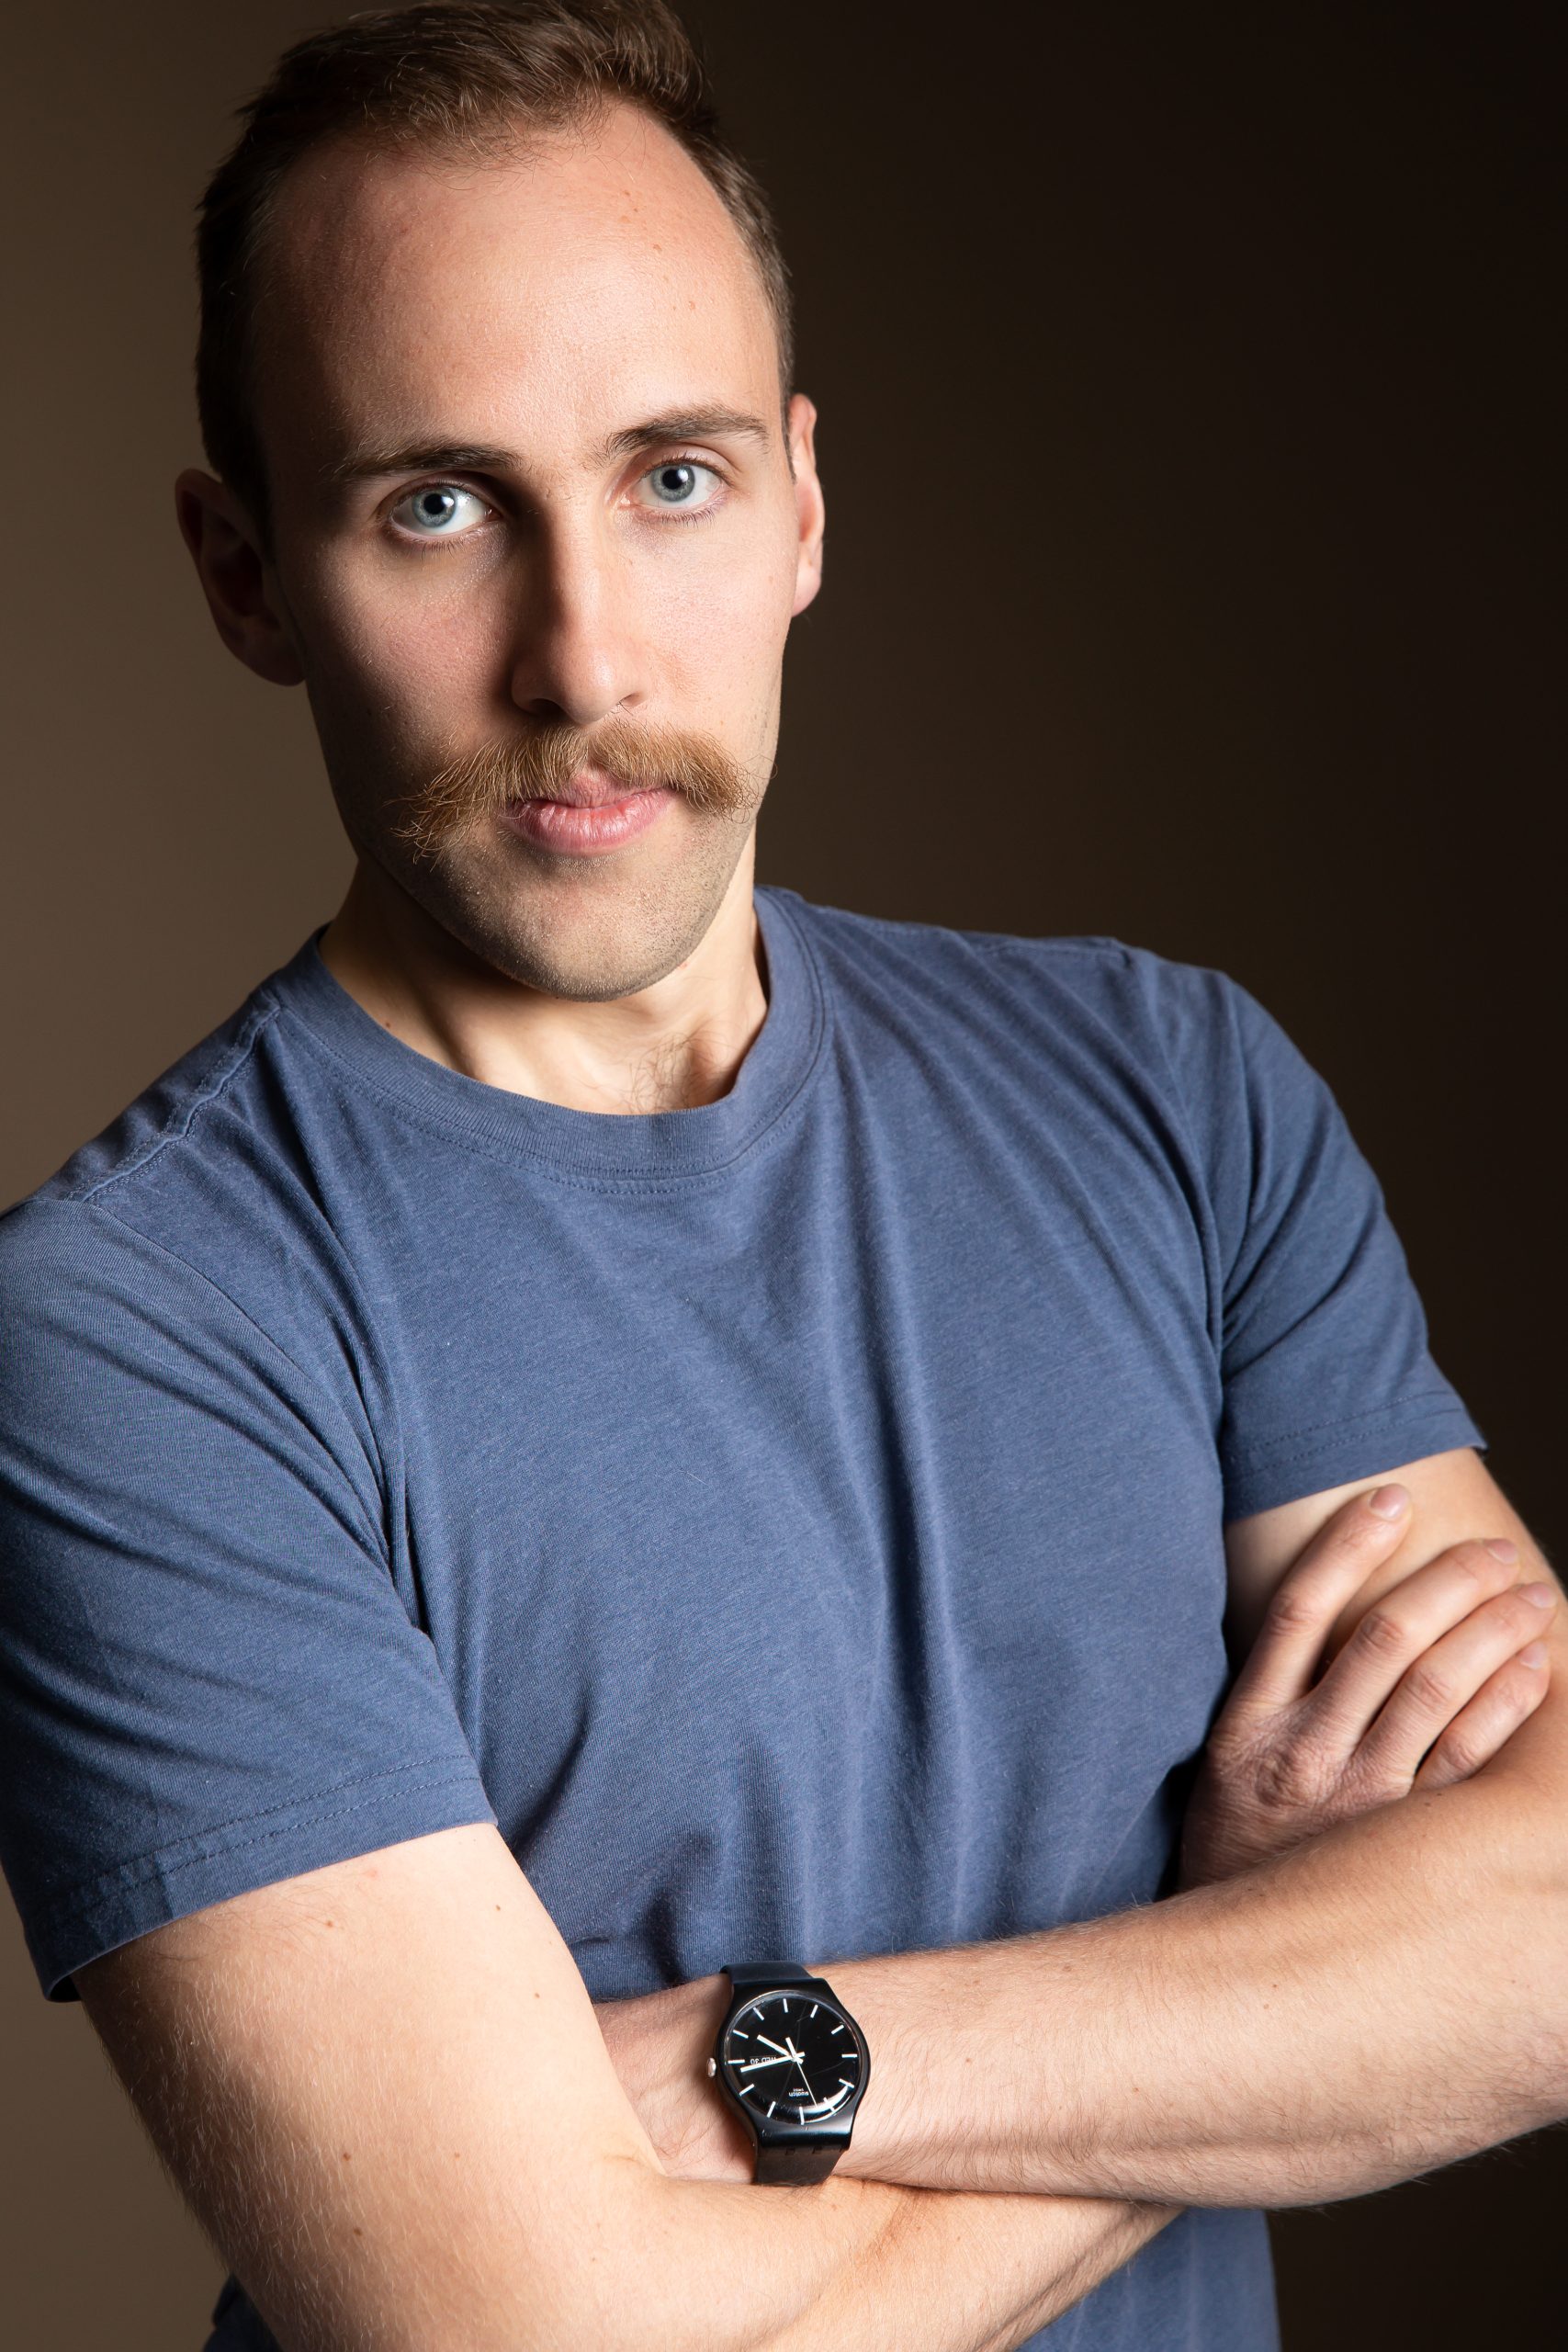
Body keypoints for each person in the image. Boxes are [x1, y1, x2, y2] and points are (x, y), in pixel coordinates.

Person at [0, 5, 1562, 2348]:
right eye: (435, 502)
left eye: (673, 477)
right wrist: (1237, 1985)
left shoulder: (1172, 1087)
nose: (583, 653)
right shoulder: (134, 1328)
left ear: (801, 506)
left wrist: (783, 2065)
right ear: (244, 575)